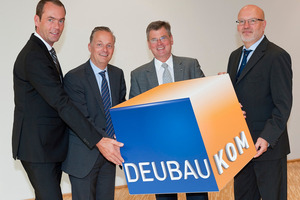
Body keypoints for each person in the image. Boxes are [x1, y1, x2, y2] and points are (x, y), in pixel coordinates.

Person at [12, 1, 124, 199]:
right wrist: (99, 140)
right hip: (37, 148)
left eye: (61, 20)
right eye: (51, 19)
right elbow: (61, 102)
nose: (57, 26)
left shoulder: (45, 52)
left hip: (48, 148)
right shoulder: (34, 56)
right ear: (37, 20)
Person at [129, 20, 208, 200]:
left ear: (171, 39)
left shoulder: (190, 65)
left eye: (163, 37)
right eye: (154, 40)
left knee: (198, 196)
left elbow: (205, 98)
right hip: (159, 149)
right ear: (149, 44)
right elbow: (135, 113)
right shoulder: (138, 75)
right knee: (165, 197)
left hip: (192, 145)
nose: (159, 44)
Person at [227, 5, 292, 200]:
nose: (246, 26)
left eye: (252, 21)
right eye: (241, 21)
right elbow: (235, 96)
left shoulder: (277, 56)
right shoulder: (234, 56)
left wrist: (266, 137)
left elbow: (283, 105)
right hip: (241, 146)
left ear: (263, 25)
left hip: (267, 147)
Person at [62, 26, 126, 200]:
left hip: (108, 158)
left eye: (109, 45)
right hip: (84, 158)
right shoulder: (74, 78)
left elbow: (120, 111)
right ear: (90, 47)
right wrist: (107, 142)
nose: (104, 50)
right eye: (99, 44)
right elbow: (82, 119)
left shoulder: (117, 75)